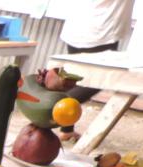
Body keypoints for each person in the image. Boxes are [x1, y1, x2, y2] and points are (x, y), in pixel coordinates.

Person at [58, 0, 136, 139]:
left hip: (78, 27)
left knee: (76, 79)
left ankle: (66, 130)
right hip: (99, 33)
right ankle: (51, 111)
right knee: (98, 82)